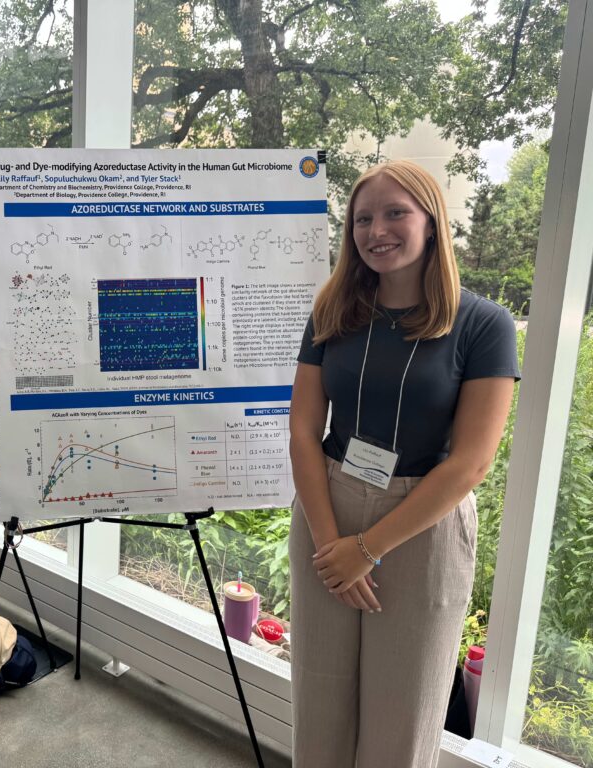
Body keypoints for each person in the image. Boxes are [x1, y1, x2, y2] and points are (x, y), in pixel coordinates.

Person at [288, 159, 520, 768]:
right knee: (319, 703)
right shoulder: (332, 310)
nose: (376, 230)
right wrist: (332, 543)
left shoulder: (484, 324)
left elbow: (471, 463)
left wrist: (366, 549)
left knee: (404, 715)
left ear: (432, 222)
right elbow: (304, 431)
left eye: (396, 213)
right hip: (327, 507)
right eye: (363, 218)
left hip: (423, 523)